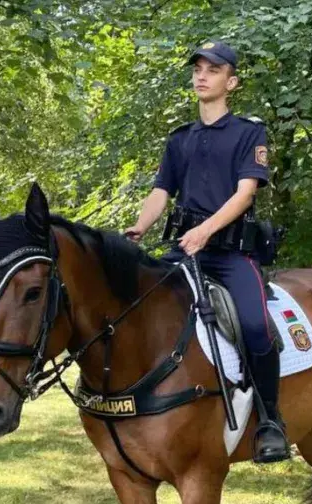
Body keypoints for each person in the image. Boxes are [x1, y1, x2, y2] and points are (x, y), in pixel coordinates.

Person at [125, 40, 288, 463]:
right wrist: (141, 226)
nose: (201, 75)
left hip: (231, 255)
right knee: (140, 305)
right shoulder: (180, 139)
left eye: (213, 70)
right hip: (184, 252)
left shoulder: (249, 132)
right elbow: (161, 191)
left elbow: (245, 195)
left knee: (255, 326)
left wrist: (205, 230)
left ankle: (271, 422)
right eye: (197, 68)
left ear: (231, 82)